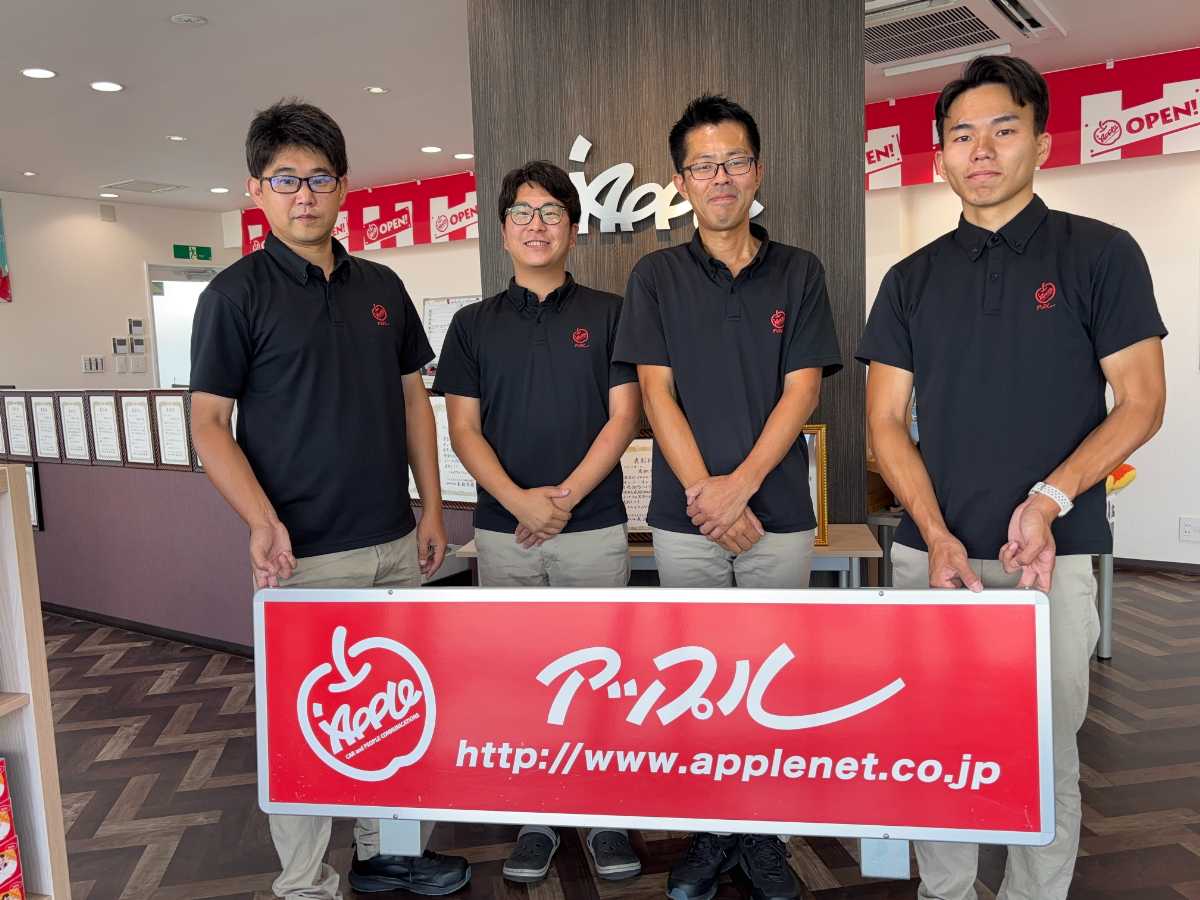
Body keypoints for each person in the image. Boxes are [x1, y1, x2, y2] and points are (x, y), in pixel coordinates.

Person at [858, 56, 1167, 900]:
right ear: (939, 158)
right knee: (933, 747)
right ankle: (946, 893)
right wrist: (933, 533)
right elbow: (884, 421)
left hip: (1052, 558)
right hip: (937, 558)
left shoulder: (1101, 253)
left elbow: (1142, 400)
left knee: (1046, 751)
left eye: (1003, 129)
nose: (982, 150)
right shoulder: (909, 280)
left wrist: (1049, 499)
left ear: (1042, 143)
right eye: (962, 135)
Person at [189, 100, 470, 899]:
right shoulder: (234, 295)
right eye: (285, 179)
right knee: (305, 725)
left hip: (392, 542)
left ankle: (387, 854)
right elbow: (208, 425)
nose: (304, 195)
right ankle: (306, 883)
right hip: (300, 556)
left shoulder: (381, 286)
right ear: (256, 190)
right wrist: (261, 520)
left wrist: (431, 506)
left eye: (318, 178)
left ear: (344, 187)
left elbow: (413, 399)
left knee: (396, 708)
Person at [613, 94, 842, 900]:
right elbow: (656, 394)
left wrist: (739, 489)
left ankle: (764, 835)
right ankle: (711, 832)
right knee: (702, 681)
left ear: (758, 171)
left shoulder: (800, 271)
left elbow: (802, 390)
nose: (721, 177)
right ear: (681, 182)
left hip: (778, 518)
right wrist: (707, 499)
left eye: (735, 161)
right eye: (703, 165)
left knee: (772, 683)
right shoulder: (656, 276)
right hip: (687, 524)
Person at [435, 160, 643, 884]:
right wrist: (521, 502)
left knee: (601, 674)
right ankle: (536, 815)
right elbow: (463, 430)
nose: (537, 225)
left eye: (552, 212)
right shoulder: (471, 325)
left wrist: (563, 500)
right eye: (522, 213)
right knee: (521, 676)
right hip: (503, 533)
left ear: (573, 229)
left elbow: (624, 418)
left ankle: (605, 814)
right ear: (502, 230)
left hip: (594, 528)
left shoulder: (612, 313)